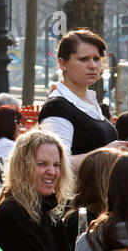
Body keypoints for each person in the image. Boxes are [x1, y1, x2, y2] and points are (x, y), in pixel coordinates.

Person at [0, 127, 75, 251]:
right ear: (23, 168)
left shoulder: (49, 211)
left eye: (56, 165)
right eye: (42, 164)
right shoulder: (13, 212)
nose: (52, 172)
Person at [38, 29, 121, 168]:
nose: (93, 65)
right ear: (63, 63)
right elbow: (55, 164)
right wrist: (106, 154)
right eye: (84, 59)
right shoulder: (58, 107)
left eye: (96, 59)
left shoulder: (92, 103)